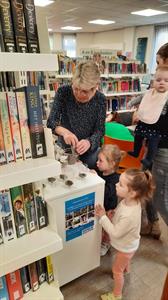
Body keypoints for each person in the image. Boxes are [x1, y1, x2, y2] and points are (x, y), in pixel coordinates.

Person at [95, 168, 155, 300]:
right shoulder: (131, 201)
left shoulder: (129, 215)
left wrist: (103, 217)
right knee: (125, 261)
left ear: (132, 192)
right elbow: (121, 211)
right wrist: (114, 213)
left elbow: (115, 233)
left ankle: (117, 295)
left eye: (120, 184)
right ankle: (126, 270)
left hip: (126, 248)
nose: (116, 184)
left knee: (116, 271)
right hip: (130, 244)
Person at [47, 61, 106, 169]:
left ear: (95, 87)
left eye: (84, 91)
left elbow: (100, 130)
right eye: (76, 88)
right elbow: (51, 122)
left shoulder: (100, 99)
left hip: (89, 151)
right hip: (65, 149)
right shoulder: (63, 92)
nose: (79, 94)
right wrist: (65, 132)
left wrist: (89, 142)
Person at [128, 65, 168, 170]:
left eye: (166, 81)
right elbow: (140, 98)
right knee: (137, 135)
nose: (162, 82)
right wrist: (132, 102)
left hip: (156, 126)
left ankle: (149, 159)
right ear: (153, 81)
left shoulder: (166, 97)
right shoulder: (149, 92)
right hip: (145, 122)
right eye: (158, 80)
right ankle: (136, 151)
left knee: (153, 143)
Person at [96, 144, 125, 256]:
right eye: (98, 159)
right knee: (99, 227)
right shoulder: (100, 171)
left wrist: (96, 179)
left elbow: (106, 192)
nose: (97, 162)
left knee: (107, 228)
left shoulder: (116, 179)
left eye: (100, 161)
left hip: (109, 210)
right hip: (100, 206)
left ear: (112, 164)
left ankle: (106, 243)